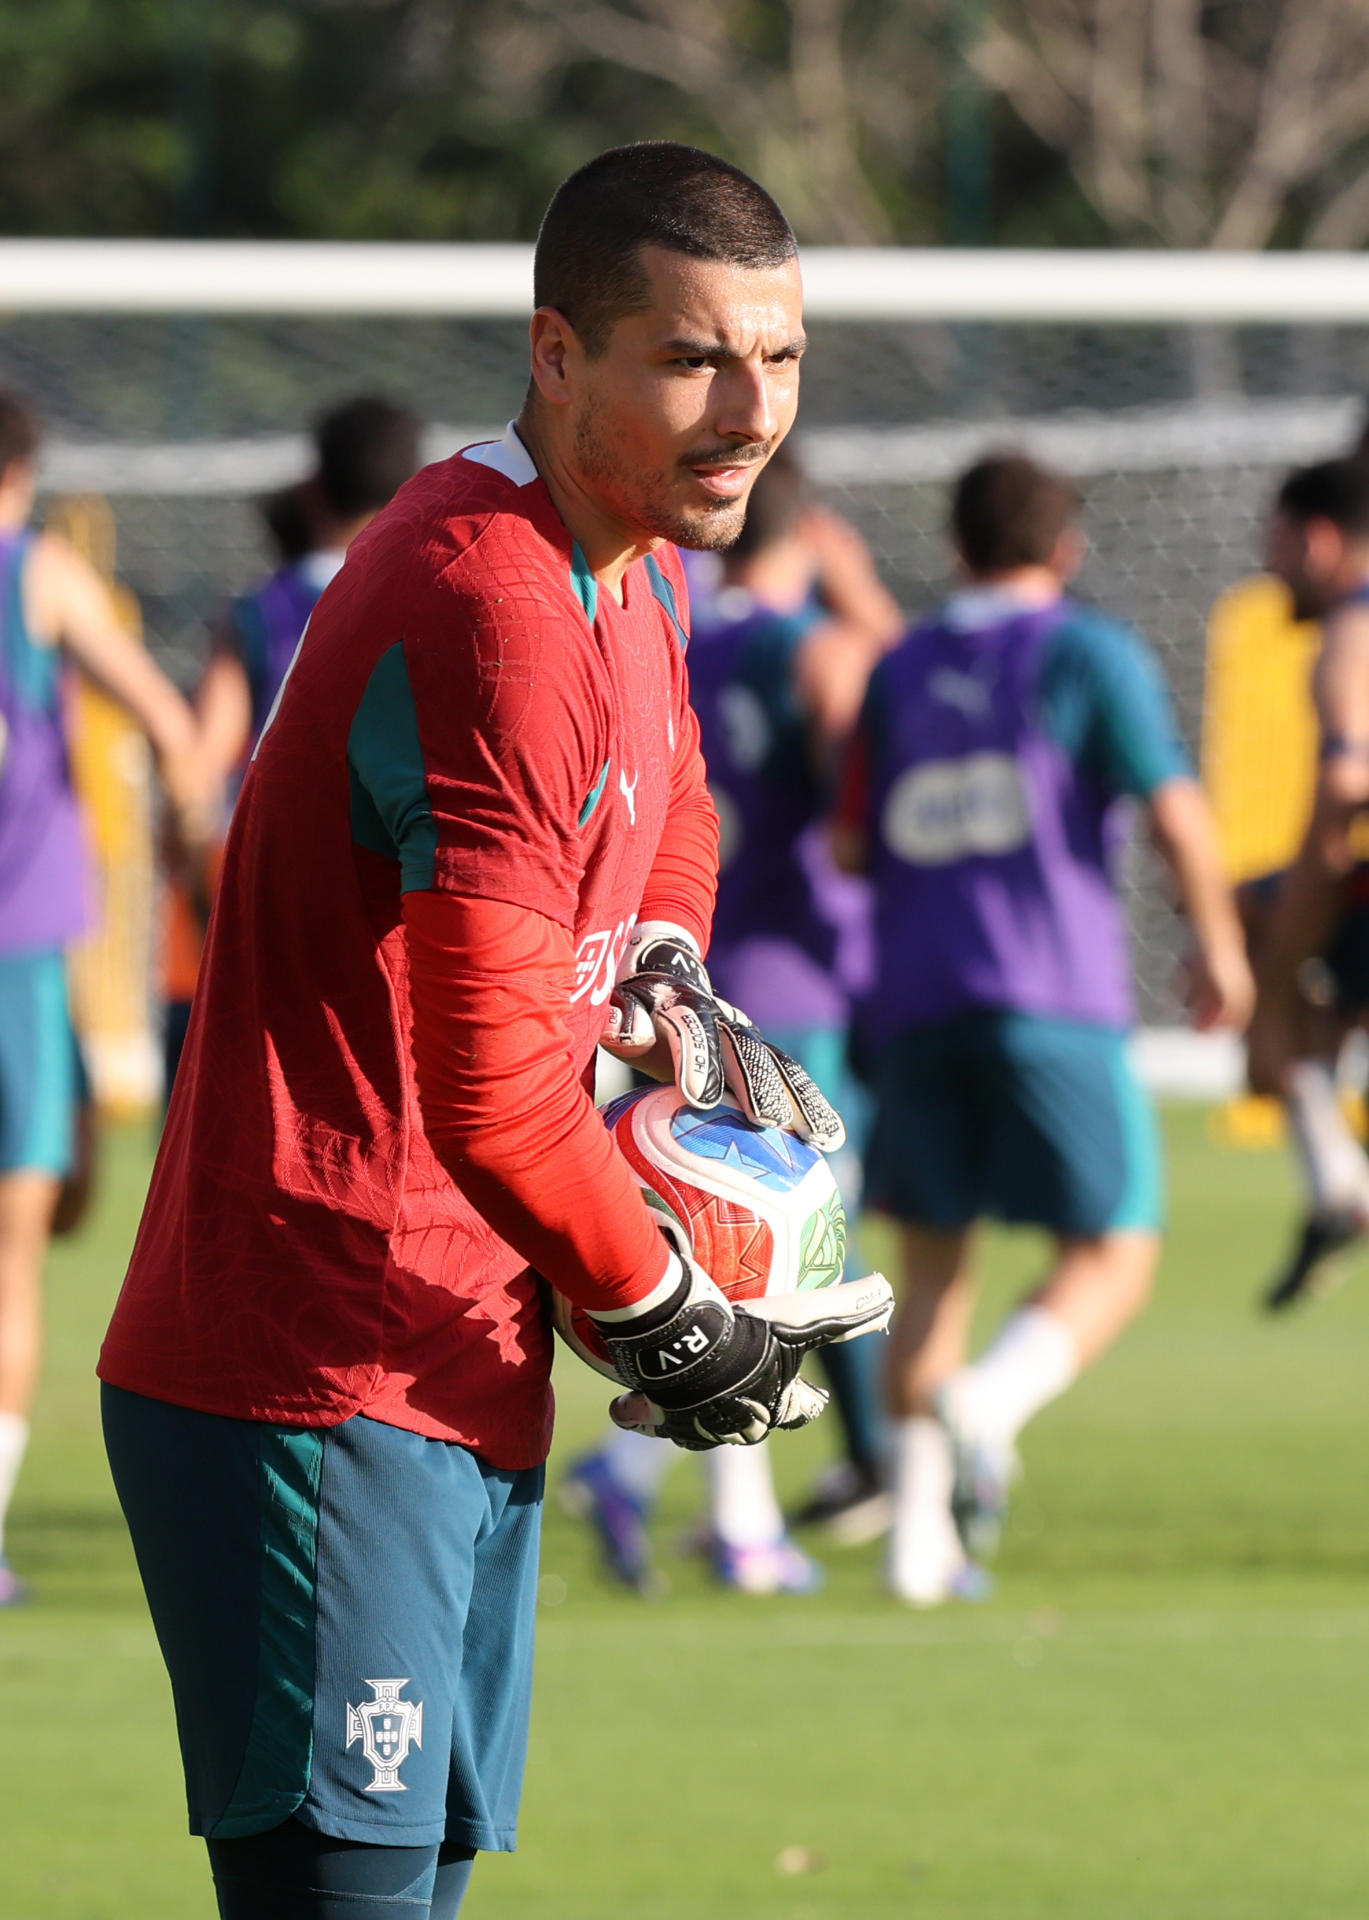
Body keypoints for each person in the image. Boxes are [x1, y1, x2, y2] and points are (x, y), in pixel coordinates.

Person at [97, 143, 892, 1920]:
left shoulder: (628, 575)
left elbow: (675, 793)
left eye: (777, 358)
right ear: (555, 355)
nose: (746, 410)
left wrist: (666, 960)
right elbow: (483, 1101)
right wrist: (669, 1311)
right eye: (689, 358)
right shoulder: (496, 603)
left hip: (456, 1350)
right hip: (315, 1360)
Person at [836, 451, 1253, 1606]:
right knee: (1116, 1246)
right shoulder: (1085, 651)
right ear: (1063, 550)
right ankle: (991, 1403)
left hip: (916, 1003)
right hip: (1052, 999)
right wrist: (1217, 946)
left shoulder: (900, 665)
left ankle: (916, 1548)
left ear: (956, 546)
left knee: (933, 1267)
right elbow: (1172, 804)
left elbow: (850, 843)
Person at [563, 443, 900, 1594]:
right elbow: (877, 759)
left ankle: (672, 1490)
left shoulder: (675, 625)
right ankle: (683, 1489)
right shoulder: (811, 651)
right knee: (773, 1254)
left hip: (663, 976)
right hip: (783, 994)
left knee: (709, 1242)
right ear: (805, 536)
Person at [0, 389, 204, 1606]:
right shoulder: (42, 573)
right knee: (15, 1250)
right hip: (18, 958)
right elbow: (171, 721)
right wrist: (194, 848)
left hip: (25, 955)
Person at [162, 397, 422, 1089]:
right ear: (414, 487)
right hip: (391, 908)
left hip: (272, 892)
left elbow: (198, 763)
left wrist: (195, 883)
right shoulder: (431, 597)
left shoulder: (257, 612)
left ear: (313, 491)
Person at [1248, 456, 1369, 1300]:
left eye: (1277, 544)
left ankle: (1335, 1175)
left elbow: (1343, 784)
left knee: (1254, 935)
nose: (1269, 567)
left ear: (1318, 540)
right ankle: (1332, 1168)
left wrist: (1281, 959)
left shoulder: (1350, 637)